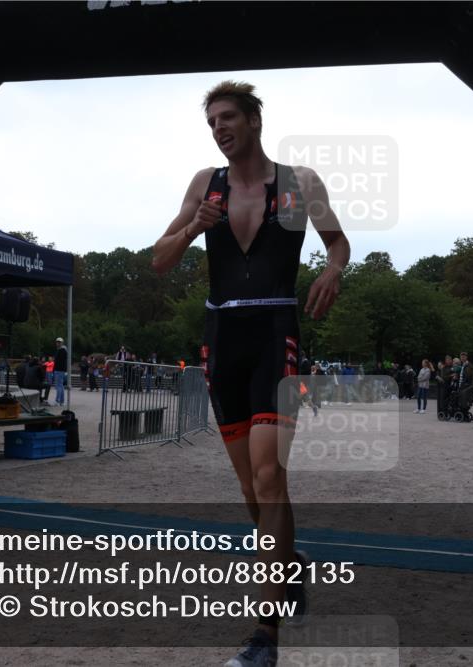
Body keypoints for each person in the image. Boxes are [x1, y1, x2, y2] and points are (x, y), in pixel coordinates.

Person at [151, 80, 350, 667]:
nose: (219, 128)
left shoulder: (298, 183)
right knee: (249, 488)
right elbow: (158, 260)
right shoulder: (204, 185)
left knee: (269, 479)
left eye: (228, 117)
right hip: (221, 337)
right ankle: (288, 566)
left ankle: (265, 637)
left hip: (274, 332)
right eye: (212, 121)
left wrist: (332, 271)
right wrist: (195, 226)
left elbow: (338, 243)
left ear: (255, 120)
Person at [54, 338, 68, 406]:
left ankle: (57, 400)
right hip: (61, 370)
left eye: (59, 342)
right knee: (61, 385)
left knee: (58, 386)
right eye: (57, 342)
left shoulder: (61, 351)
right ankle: (61, 401)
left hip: (59, 370)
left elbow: (58, 362)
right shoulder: (63, 350)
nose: (58, 343)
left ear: (62, 343)